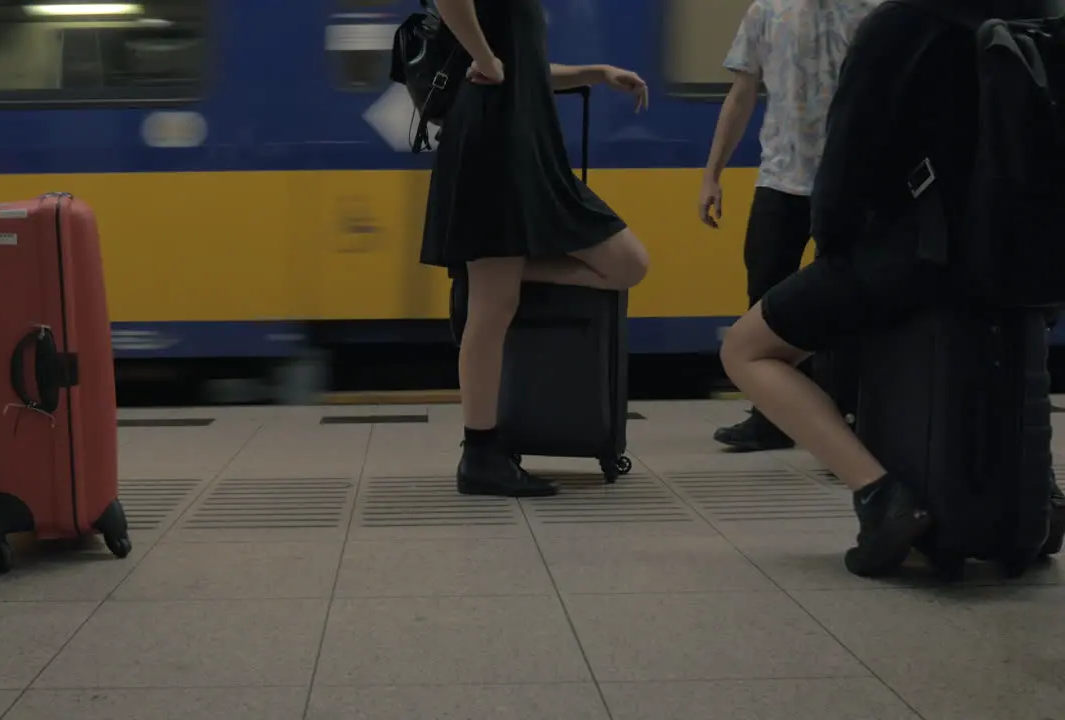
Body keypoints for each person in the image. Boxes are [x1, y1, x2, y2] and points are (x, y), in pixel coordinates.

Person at [718, 0, 1055, 577]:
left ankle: (881, 497)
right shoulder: (1035, 12)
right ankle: (1039, 490)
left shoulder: (901, 25)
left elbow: (847, 164)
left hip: (916, 258)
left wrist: (833, 248)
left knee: (747, 349)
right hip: (1021, 263)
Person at [422, 0, 651, 498]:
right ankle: (480, 453)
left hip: (526, 146)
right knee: (493, 307)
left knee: (626, 263)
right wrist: (482, 58)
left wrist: (596, 72)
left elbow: (521, 69)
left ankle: (487, 276)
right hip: (494, 140)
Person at [701, 0, 880, 452]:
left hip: (852, 182)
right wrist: (712, 174)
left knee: (845, 300)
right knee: (764, 293)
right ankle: (771, 418)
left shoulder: (875, 10)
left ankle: (847, 414)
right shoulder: (767, 10)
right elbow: (742, 92)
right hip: (780, 180)